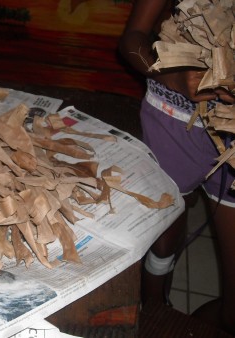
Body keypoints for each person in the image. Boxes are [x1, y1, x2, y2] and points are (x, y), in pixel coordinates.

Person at [119, 0, 235, 334]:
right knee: (163, 236)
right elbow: (133, 39)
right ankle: (155, 304)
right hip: (172, 119)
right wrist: (171, 75)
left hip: (232, 139)